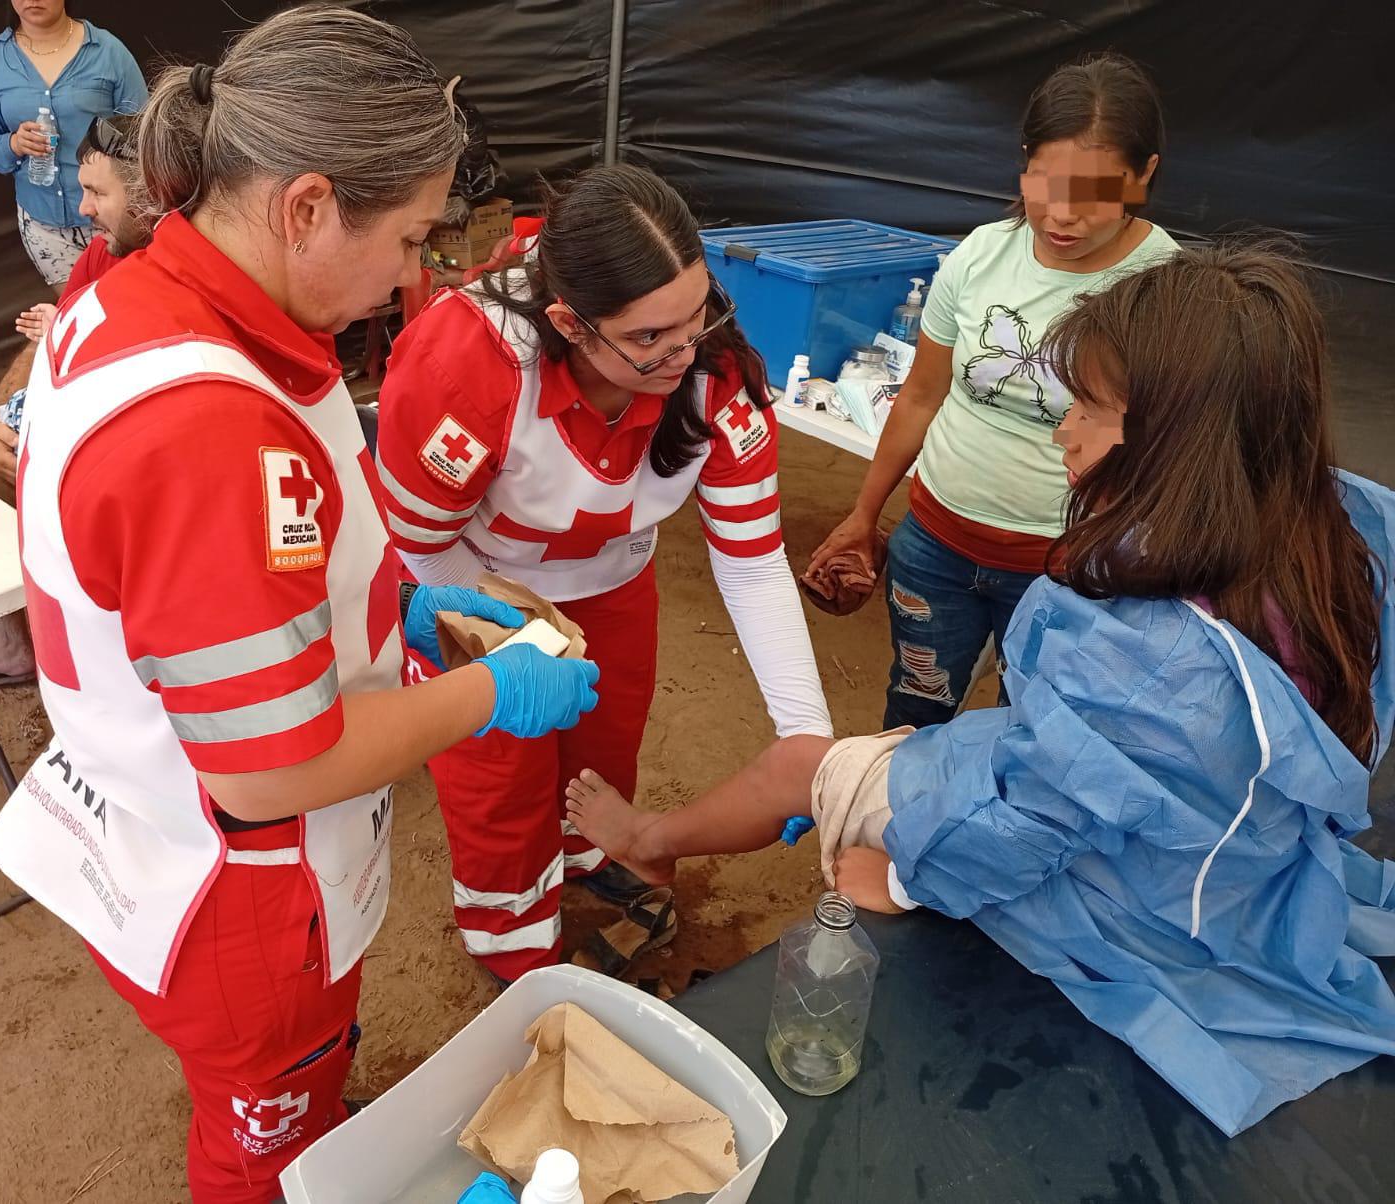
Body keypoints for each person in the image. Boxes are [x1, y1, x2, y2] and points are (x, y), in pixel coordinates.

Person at [566, 245, 1395, 1139]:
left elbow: (1032, 825)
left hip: (1127, 883)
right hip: (1236, 852)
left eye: (1089, 407)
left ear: (1176, 445)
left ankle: (652, 843)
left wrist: (915, 880)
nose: (1061, 431)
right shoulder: (1346, 530)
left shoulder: (1135, 662)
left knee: (800, 766)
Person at [0, 9, 598, 1202]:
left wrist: (386, 601)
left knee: (291, 1099)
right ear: (308, 205)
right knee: (260, 1143)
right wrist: (488, 690)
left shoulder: (149, 289)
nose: (416, 276)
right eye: (412, 237)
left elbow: (206, 575)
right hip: (243, 890)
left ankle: (309, 1108)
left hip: (156, 814)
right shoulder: (210, 424)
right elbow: (268, 767)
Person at [376, 164, 833, 983]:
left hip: (614, 583)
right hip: (472, 578)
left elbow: (754, 559)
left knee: (603, 740)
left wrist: (809, 736)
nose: (683, 353)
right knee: (499, 776)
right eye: (650, 339)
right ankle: (514, 947)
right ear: (569, 323)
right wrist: (507, 631)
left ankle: (586, 856)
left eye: (696, 318)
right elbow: (419, 543)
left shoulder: (715, 370)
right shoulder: (465, 366)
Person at [806, 53, 1177, 728]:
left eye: (1096, 192)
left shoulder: (1168, 291)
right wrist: (864, 516)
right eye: (1047, 183)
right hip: (935, 547)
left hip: (1068, 574)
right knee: (915, 712)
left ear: (1144, 176)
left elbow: (1170, 447)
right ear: (1026, 162)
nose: (1063, 216)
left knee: (1042, 730)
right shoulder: (980, 254)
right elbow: (921, 395)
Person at [0, 114, 151, 700]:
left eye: (98, 193)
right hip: (52, 438)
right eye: (82, 190)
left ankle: (117, 676)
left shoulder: (177, 265)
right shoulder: (102, 253)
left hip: (104, 459)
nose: (84, 211)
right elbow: (42, 343)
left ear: (153, 196)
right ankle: (13, 641)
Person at [0, 0, 147, 289]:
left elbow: (144, 133)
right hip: (43, 223)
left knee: (129, 305)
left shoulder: (107, 50)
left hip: (112, 218)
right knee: (79, 314)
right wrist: (12, 144)